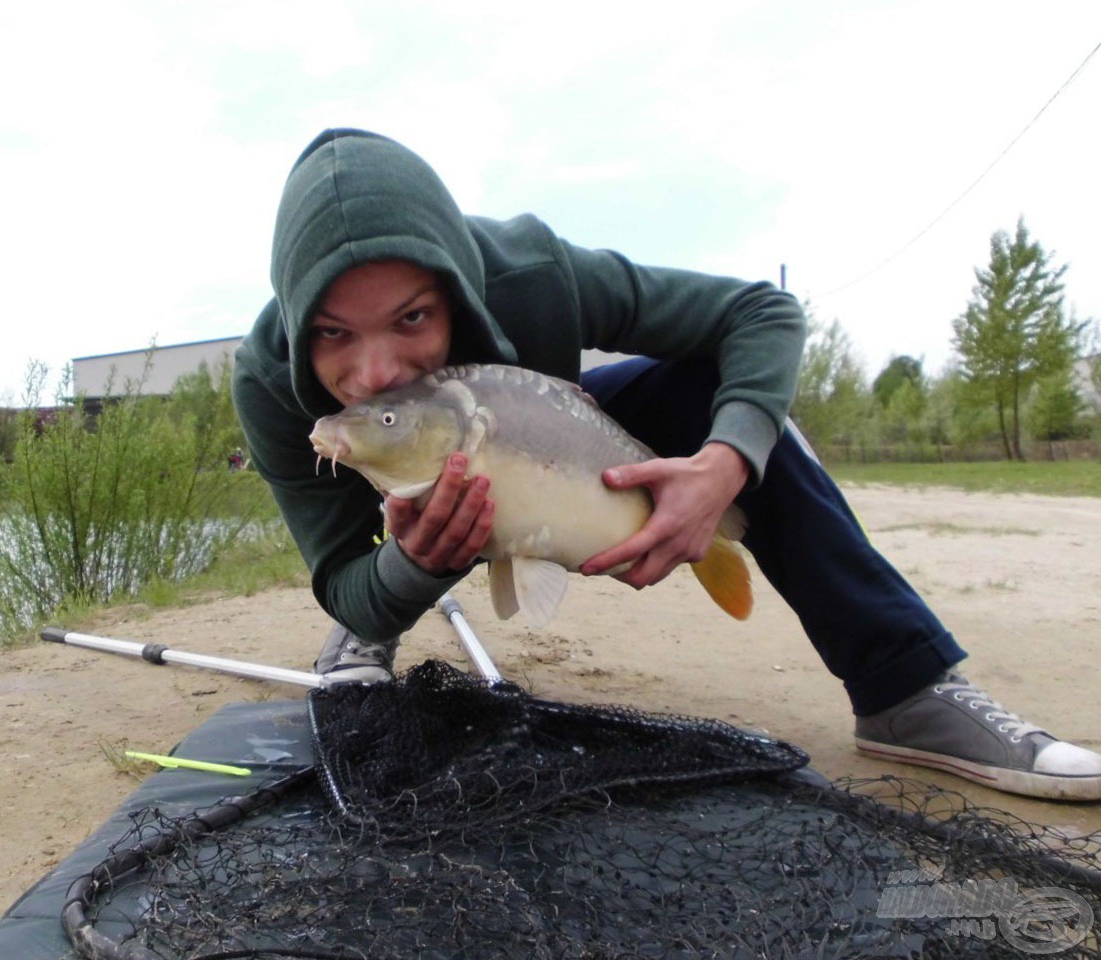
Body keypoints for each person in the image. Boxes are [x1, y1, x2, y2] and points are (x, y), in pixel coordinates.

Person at [233, 128, 1101, 802]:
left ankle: (909, 689)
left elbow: (762, 314)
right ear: (298, 325)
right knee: (375, 555)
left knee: (721, 394)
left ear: (456, 290)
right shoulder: (271, 382)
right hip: (401, 469)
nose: (376, 367)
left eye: (413, 318)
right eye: (333, 335)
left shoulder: (532, 271)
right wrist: (401, 572)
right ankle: (378, 628)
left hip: (547, 424)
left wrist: (725, 464)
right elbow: (339, 572)